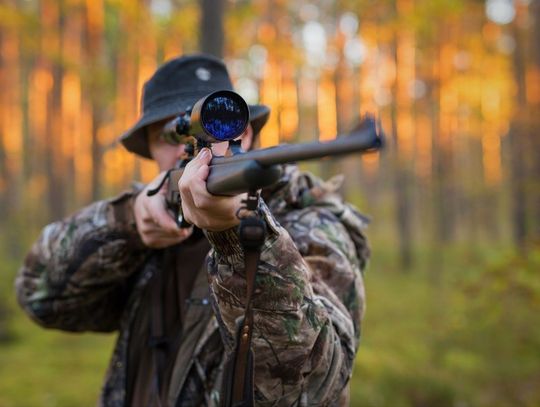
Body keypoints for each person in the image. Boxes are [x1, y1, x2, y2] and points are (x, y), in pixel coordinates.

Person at [15, 54, 370, 406]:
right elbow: (40, 296)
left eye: (210, 130)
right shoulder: (146, 220)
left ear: (243, 133)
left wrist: (239, 237)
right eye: (169, 136)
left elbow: (312, 388)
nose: (190, 151)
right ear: (151, 149)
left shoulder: (311, 218)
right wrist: (127, 223)